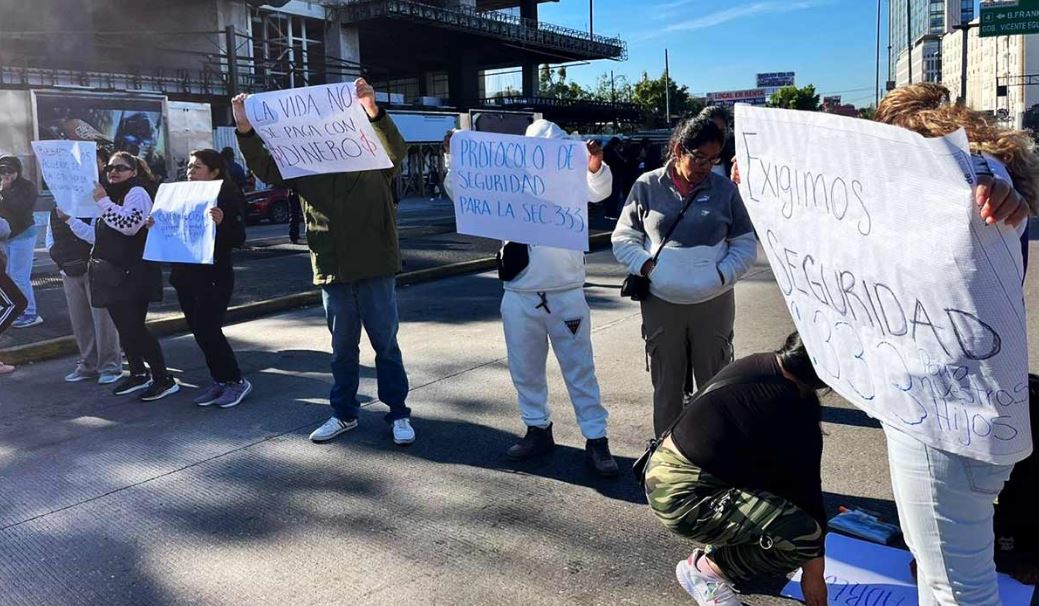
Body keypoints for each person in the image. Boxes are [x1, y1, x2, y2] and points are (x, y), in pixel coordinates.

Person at [873, 83, 1036, 605]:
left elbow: (982, 191)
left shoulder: (971, 183)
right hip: (969, 412)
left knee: (955, 587)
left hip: (945, 419)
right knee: (948, 569)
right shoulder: (980, 179)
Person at [232, 78, 415, 445]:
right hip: (332, 267)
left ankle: (398, 413)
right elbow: (267, 169)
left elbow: (396, 151)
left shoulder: (372, 157)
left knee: (386, 346)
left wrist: (373, 111)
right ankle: (344, 413)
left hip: (375, 264)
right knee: (342, 350)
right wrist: (244, 127)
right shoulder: (302, 166)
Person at [455, 120, 620, 476]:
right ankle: (537, 428)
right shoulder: (508, 179)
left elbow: (599, 189)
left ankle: (596, 438)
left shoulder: (572, 178)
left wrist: (594, 166)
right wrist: (457, 159)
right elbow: (464, 192)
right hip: (519, 292)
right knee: (524, 368)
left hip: (565, 291)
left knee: (580, 369)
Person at [645, 332, 829, 606]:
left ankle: (723, 546)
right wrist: (815, 576)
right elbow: (806, 495)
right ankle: (705, 573)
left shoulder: (763, 364)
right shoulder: (788, 405)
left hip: (666, 474)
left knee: (779, 507)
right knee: (804, 535)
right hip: (683, 499)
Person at [612, 115, 757, 436]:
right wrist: (647, 266)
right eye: (700, 158)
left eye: (714, 159)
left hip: (714, 303)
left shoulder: (725, 191)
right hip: (662, 303)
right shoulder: (647, 186)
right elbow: (623, 237)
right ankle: (666, 454)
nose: (707, 166)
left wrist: (722, 275)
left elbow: (745, 245)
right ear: (679, 150)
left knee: (715, 383)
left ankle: (713, 453)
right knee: (666, 385)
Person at [89, 151, 178, 401]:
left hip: (134, 273)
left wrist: (103, 202)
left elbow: (129, 226)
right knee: (124, 328)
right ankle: (138, 373)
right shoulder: (112, 193)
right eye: (110, 168)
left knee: (134, 327)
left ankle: (163, 378)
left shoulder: (137, 192)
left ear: (134, 171)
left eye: (121, 167)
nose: (113, 172)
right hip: (115, 273)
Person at [170, 149, 250, 409]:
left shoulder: (226, 195)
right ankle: (220, 380)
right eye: (190, 167)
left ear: (215, 171)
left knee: (209, 329)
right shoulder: (180, 195)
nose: (190, 172)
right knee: (199, 331)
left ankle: (236, 381)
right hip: (186, 275)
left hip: (214, 276)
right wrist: (156, 224)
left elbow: (237, 239)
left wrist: (223, 223)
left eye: (198, 167)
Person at [50, 203, 123, 385]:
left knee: (103, 321)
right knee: (80, 321)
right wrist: (60, 260)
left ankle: (110, 365)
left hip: (94, 271)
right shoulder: (55, 210)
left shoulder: (96, 207)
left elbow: (96, 238)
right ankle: (88, 364)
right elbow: (51, 239)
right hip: (68, 271)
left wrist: (70, 220)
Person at [0, 155, 42, 328]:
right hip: (6, 237)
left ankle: (31, 313)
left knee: (19, 276)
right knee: (9, 275)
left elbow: (18, 209)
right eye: (3, 170)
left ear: (18, 170)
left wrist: (5, 189)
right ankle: (16, 308)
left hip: (23, 235)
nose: (7, 174)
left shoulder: (28, 187)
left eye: (11, 170)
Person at [699, 106, 736, 180]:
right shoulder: (690, 161)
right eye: (712, 131)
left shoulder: (734, 159)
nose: (718, 137)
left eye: (722, 131)